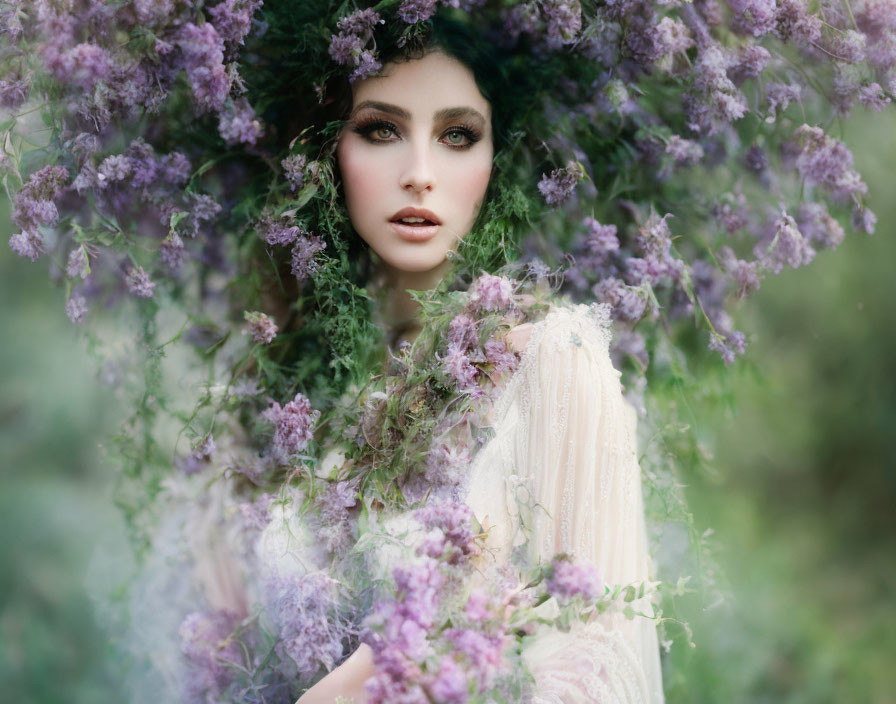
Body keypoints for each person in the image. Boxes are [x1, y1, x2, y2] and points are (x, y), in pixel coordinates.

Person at [295, 37, 664, 704]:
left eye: (457, 135)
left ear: (497, 160)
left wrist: (361, 683)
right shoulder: (318, 393)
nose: (419, 173)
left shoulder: (556, 359)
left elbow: (609, 668)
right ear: (328, 154)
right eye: (381, 129)